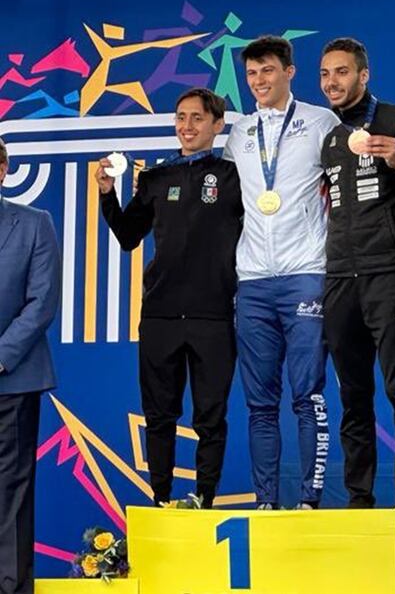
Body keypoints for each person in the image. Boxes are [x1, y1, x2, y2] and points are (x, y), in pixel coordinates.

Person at [317, 37, 395, 534]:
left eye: (342, 72)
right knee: (352, 396)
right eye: (325, 74)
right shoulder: (328, 138)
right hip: (338, 278)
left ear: (363, 76)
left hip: (390, 273)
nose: (332, 82)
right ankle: (359, 504)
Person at [98, 88, 243, 509]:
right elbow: (128, 236)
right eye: (181, 117)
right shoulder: (155, 178)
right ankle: (160, 500)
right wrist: (108, 193)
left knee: (210, 418)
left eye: (197, 118)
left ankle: (205, 500)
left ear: (217, 125)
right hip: (160, 314)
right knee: (160, 417)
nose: (187, 126)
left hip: (213, 314)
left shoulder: (234, 176)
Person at [223, 35, 339, 510]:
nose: (259, 81)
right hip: (252, 281)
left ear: (289, 72)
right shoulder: (238, 134)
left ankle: (309, 499)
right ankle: (266, 502)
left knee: (307, 394)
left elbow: (349, 184)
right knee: (259, 403)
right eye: (251, 73)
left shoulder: (320, 122)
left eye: (267, 70)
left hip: (305, 272)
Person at [0, 137, 60, 593]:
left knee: (11, 496)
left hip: (13, 379)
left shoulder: (35, 223)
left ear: (3, 171)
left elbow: (41, 304)